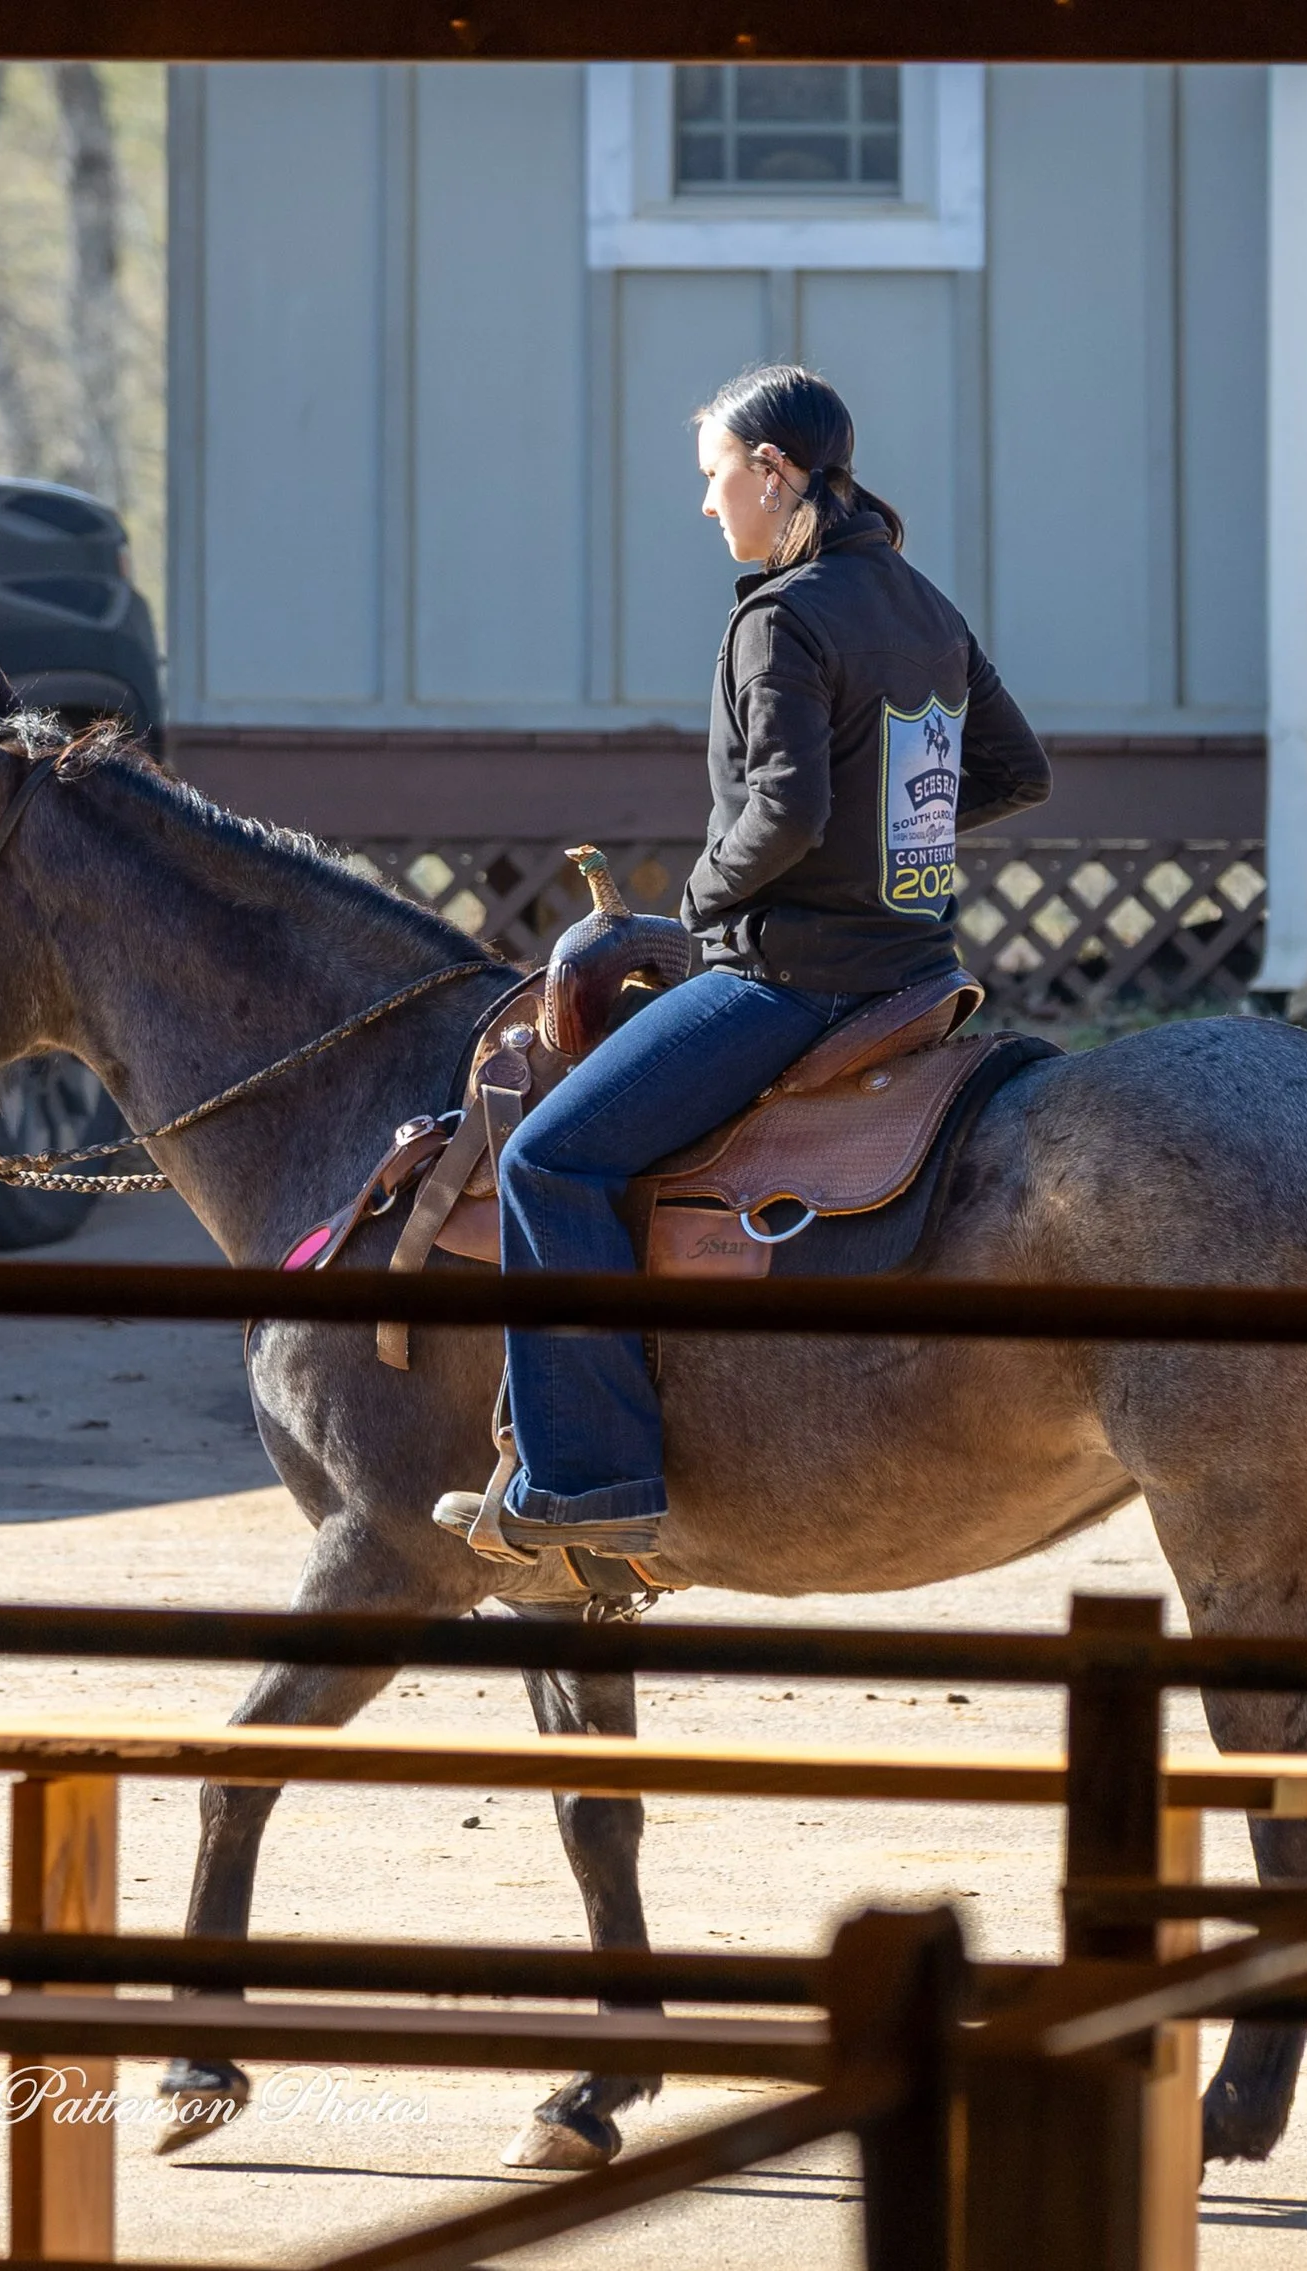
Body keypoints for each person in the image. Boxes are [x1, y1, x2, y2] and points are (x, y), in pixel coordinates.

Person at [441, 364, 1051, 1565]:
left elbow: (782, 810)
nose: (706, 503)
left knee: (548, 1160)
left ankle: (588, 1478)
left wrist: (694, 908)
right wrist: (887, 837)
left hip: (791, 982)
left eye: (714, 475)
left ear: (771, 470)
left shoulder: (781, 616)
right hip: (914, 970)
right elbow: (1014, 773)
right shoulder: (923, 605)